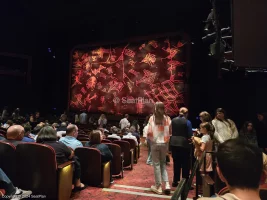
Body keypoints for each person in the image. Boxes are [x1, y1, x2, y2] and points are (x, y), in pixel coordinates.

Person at [36, 126, 86, 191]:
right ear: (54, 134)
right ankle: (77, 183)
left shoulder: (35, 145)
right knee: (75, 158)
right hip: (58, 172)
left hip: (38, 173)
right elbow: (71, 155)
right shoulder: (60, 144)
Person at [147, 102, 171, 195]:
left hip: (154, 143)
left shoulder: (152, 118)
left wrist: (151, 140)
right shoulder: (167, 119)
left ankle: (159, 187)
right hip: (164, 143)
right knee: (163, 164)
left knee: (156, 165)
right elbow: (170, 132)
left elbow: (149, 132)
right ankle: (167, 184)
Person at [170, 107, 192, 187]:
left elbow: (171, 131)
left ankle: (175, 181)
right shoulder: (187, 122)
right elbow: (190, 134)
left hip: (174, 143)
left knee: (176, 163)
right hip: (184, 144)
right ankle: (185, 182)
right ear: (187, 113)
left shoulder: (173, 120)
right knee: (185, 164)